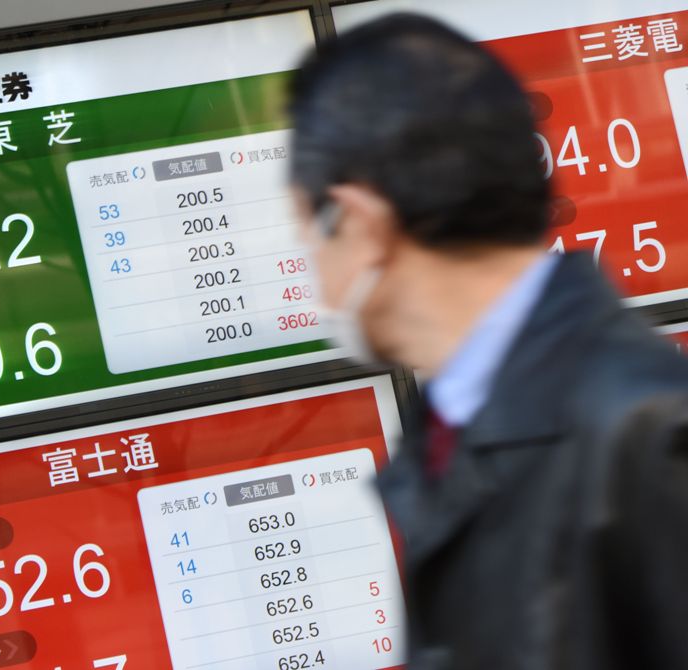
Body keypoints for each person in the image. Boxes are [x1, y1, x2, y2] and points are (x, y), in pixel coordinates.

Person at [289, 13, 688, 670]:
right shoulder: (458, 437)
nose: (318, 286)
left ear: (361, 223)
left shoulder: (649, 432)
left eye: (311, 239)